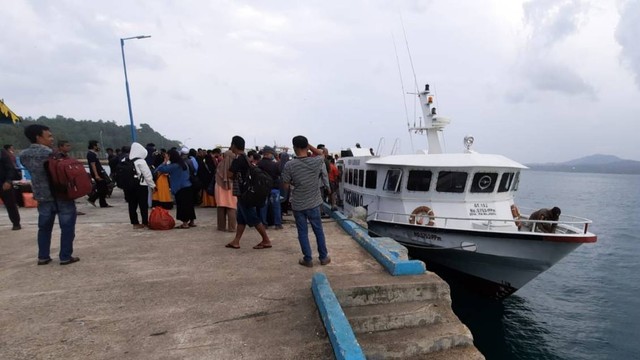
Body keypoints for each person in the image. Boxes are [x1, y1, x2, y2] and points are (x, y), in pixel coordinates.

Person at [19, 124, 79, 265]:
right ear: (38, 137)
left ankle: (43, 256)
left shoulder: (23, 155)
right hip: (61, 196)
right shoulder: (53, 155)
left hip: (42, 196)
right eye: (49, 136)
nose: (52, 139)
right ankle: (65, 256)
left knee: (44, 228)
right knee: (67, 227)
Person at [282, 135, 331, 267]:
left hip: (298, 204)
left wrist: (293, 183)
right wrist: (309, 145)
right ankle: (323, 257)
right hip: (314, 203)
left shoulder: (289, 165)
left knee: (302, 232)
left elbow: (285, 186)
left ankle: (308, 259)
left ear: (294, 147)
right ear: (306, 146)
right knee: (318, 230)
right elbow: (322, 153)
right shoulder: (315, 162)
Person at [224, 136, 272, 250]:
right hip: (246, 192)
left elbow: (230, 175)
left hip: (244, 193)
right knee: (241, 218)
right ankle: (236, 241)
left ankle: (266, 240)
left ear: (234, 145)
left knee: (252, 217)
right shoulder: (245, 158)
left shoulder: (238, 160)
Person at [155, 148, 196, 229]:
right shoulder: (183, 164)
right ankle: (191, 221)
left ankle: (185, 223)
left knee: (182, 206)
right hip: (188, 186)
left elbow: (159, 169)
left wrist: (164, 161)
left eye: (167, 156)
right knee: (189, 205)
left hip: (180, 188)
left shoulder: (174, 166)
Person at [126, 142, 156, 229]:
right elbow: (147, 175)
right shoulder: (141, 161)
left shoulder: (126, 160)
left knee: (132, 205)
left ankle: (135, 223)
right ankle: (145, 222)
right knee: (143, 205)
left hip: (129, 185)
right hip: (141, 185)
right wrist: (153, 186)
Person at [56, 140, 86, 216]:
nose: (69, 147)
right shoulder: (58, 157)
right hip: (63, 179)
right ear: (61, 147)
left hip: (70, 178)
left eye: (69, 145)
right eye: (67, 146)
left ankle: (73, 210)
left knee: (71, 194)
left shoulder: (66, 156)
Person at [257, 146, 282, 229]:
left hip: (263, 188)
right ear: (269, 154)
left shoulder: (259, 164)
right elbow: (279, 173)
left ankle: (264, 223)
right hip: (274, 188)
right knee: (276, 206)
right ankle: (277, 224)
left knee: (263, 207)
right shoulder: (274, 164)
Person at [215, 147, 237, 232]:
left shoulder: (220, 164)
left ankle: (221, 227)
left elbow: (217, 176)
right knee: (231, 207)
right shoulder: (234, 165)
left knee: (221, 207)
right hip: (231, 187)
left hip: (219, 186)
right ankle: (232, 227)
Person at [1, 145, 21, 230]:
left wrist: (8, 181)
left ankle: (16, 223)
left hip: (4, 183)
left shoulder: (2, 153)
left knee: (10, 204)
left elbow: (10, 168)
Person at [86, 140, 111, 208]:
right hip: (97, 173)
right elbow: (93, 165)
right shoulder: (91, 154)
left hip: (99, 172)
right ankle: (94, 200)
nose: (98, 147)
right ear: (94, 146)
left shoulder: (93, 154)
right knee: (103, 188)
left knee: (102, 187)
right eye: (97, 145)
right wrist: (96, 175)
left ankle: (100, 202)